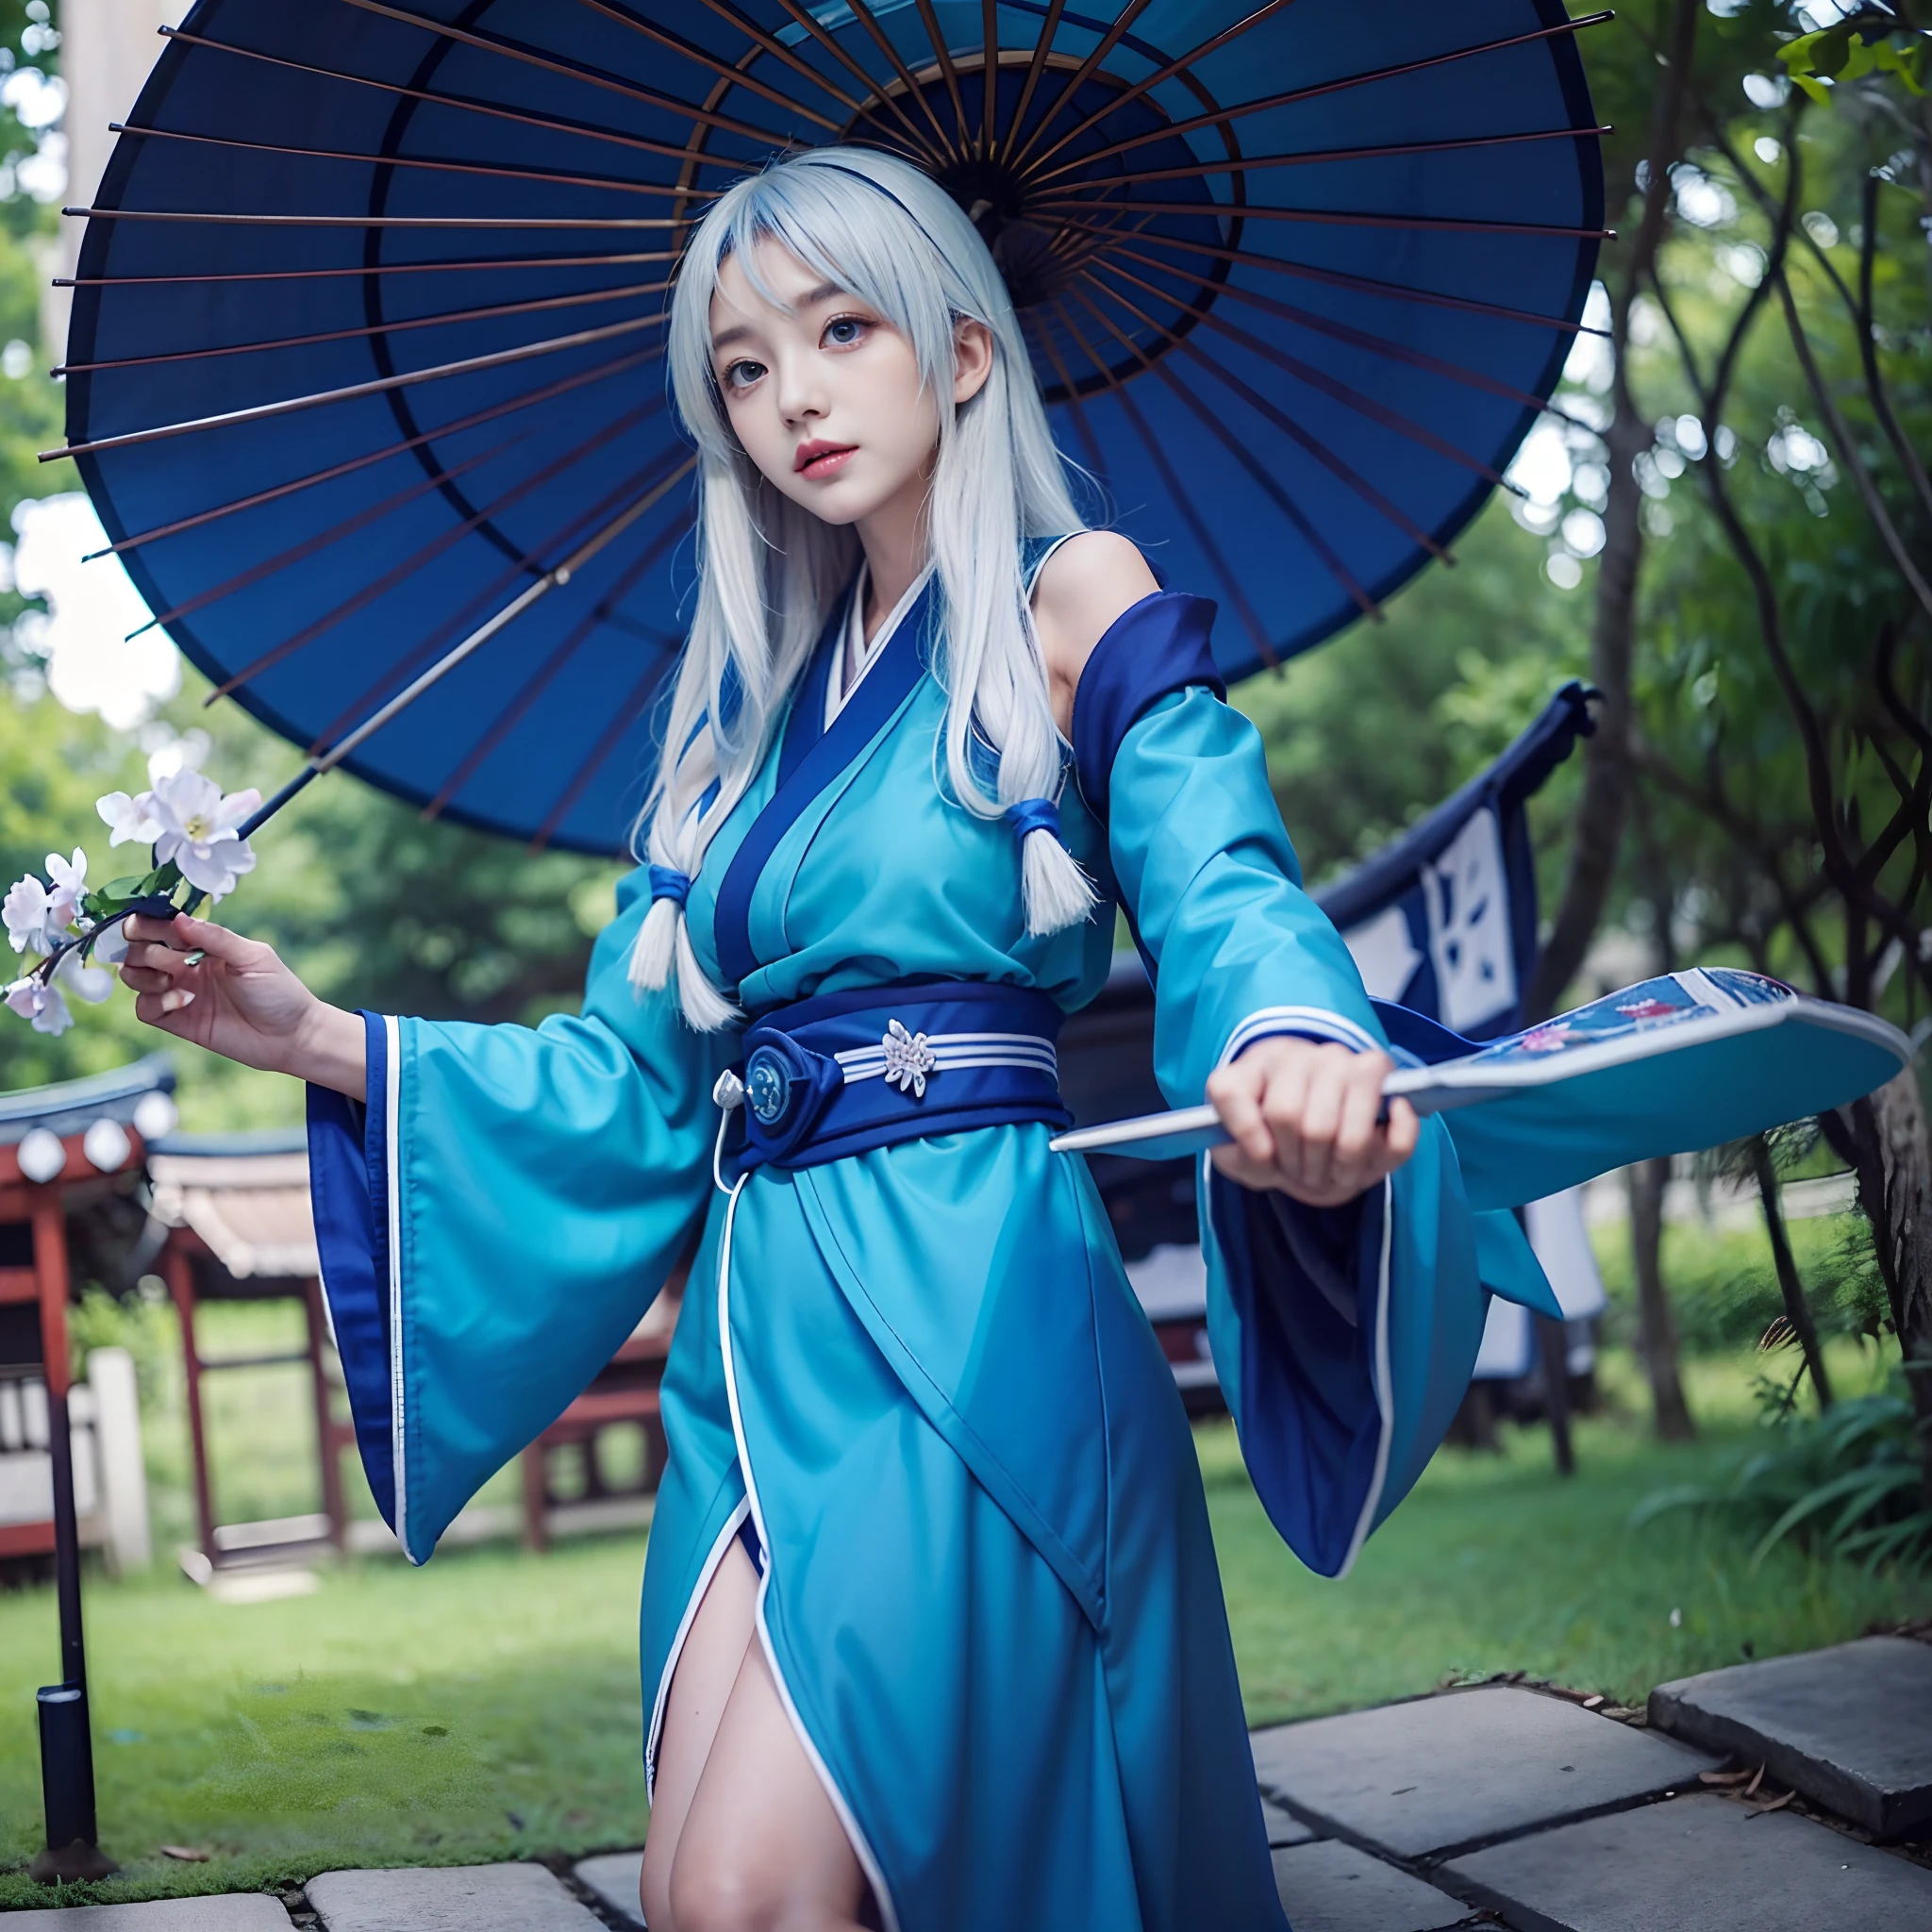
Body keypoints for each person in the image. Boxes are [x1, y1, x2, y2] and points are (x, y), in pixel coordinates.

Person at [119, 147, 1551, 1932]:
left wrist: (1285, 1032)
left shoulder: (1067, 598)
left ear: (962, 353)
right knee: (694, 1893)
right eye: (740, 364)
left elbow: (1223, 874)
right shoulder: (736, 727)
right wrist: (317, 1033)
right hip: (754, 1334)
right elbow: (632, 1089)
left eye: (840, 327)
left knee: (753, 1896)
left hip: (967, 1308)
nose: (788, 393)